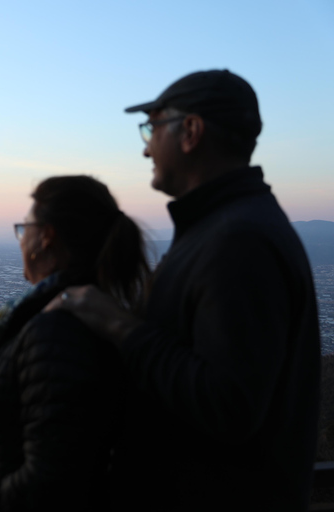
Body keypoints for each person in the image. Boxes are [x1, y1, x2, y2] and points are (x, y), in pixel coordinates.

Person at [52, 70, 321, 511]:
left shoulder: (238, 240)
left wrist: (119, 326)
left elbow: (228, 405)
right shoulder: (226, 228)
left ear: (190, 131)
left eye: (152, 128)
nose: (144, 148)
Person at [0, 175, 150, 512]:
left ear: (45, 237)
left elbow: (51, 482)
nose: (20, 240)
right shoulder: (78, 314)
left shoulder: (56, 331)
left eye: (24, 228)